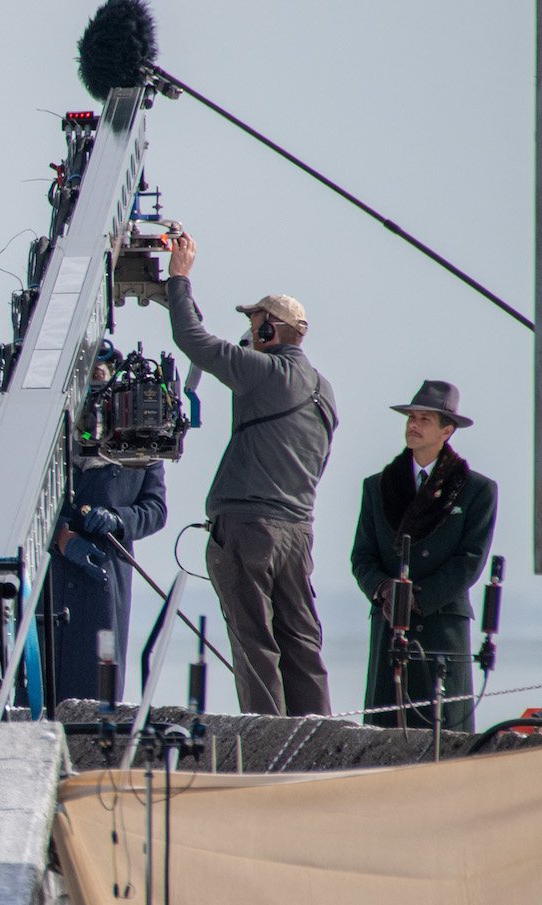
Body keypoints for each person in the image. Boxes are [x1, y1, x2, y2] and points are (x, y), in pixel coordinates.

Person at [165, 232, 337, 717]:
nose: (249, 330)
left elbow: (193, 341)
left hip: (249, 530)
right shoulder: (324, 391)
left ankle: (267, 747)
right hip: (298, 532)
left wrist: (180, 280)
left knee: (255, 643)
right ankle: (317, 742)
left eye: (255, 321)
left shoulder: (264, 373)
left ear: (271, 331)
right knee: (302, 643)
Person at [351, 381, 496, 733]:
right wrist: (386, 591)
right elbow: (362, 556)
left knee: (444, 738)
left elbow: (470, 562)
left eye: (424, 419)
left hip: (441, 627)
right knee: (383, 737)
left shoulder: (477, 490)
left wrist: (420, 598)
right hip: (390, 625)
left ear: (447, 431)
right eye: (411, 418)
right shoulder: (377, 486)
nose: (413, 425)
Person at [50, 428, 166, 701]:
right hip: (51, 576)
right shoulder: (49, 429)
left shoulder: (146, 438)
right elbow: (20, 497)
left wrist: (118, 519)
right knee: (42, 682)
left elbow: (156, 509)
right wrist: (60, 537)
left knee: (99, 686)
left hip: (104, 575)